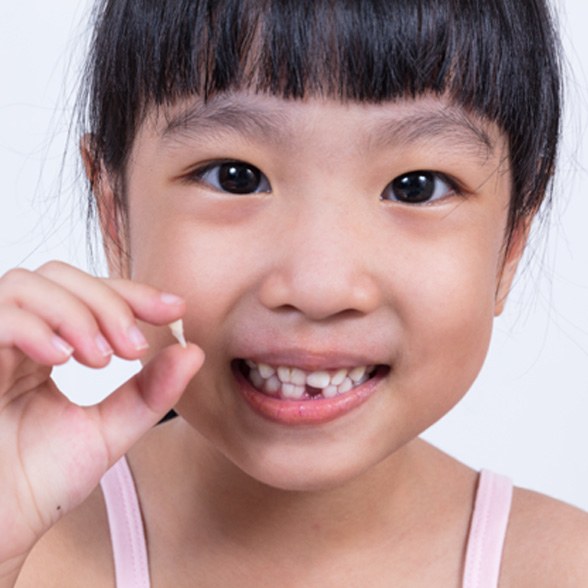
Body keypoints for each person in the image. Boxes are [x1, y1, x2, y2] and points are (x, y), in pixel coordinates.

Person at [1, 0, 587, 586]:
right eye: (235, 176)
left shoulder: (564, 567)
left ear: (511, 245)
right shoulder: (26, 548)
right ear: (116, 217)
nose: (319, 286)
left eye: (415, 188)